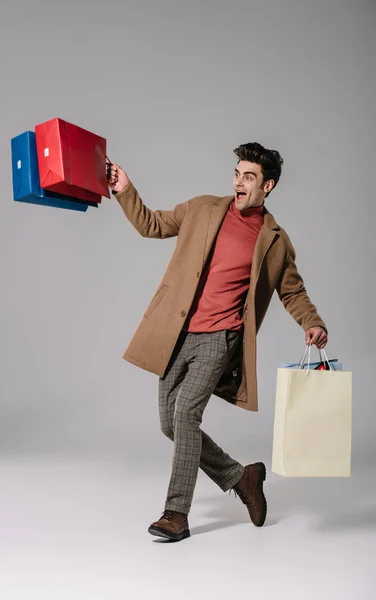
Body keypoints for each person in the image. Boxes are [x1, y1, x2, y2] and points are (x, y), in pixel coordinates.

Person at [107, 142, 328, 542]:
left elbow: (292, 291)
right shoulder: (203, 208)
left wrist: (311, 321)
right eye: (237, 173)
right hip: (177, 332)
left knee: (186, 415)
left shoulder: (274, 240)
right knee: (169, 423)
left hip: (221, 338)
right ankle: (242, 477)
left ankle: (176, 513)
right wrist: (125, 188)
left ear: (268, 186)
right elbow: (152, 224)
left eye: (249, 176)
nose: (239, 182)